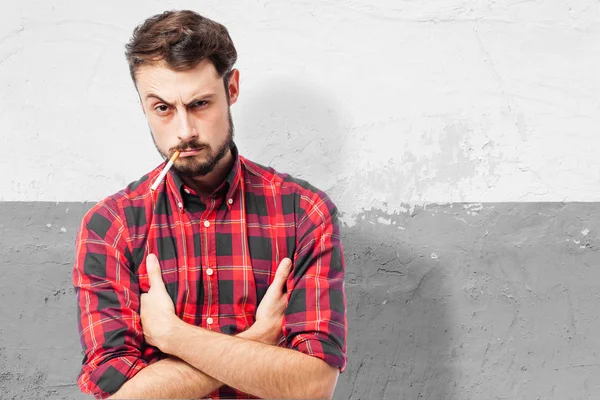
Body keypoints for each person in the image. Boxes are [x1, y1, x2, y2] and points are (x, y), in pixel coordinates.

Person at [72, 9, 347, 399]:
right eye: (163, 108)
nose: (184, 132)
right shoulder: (111, 225)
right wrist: (255, 339)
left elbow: (313, 385)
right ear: (143, 106)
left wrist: (173, 335)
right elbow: (120, 396)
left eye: (200, 104)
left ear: (231, 89)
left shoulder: (304, 212)